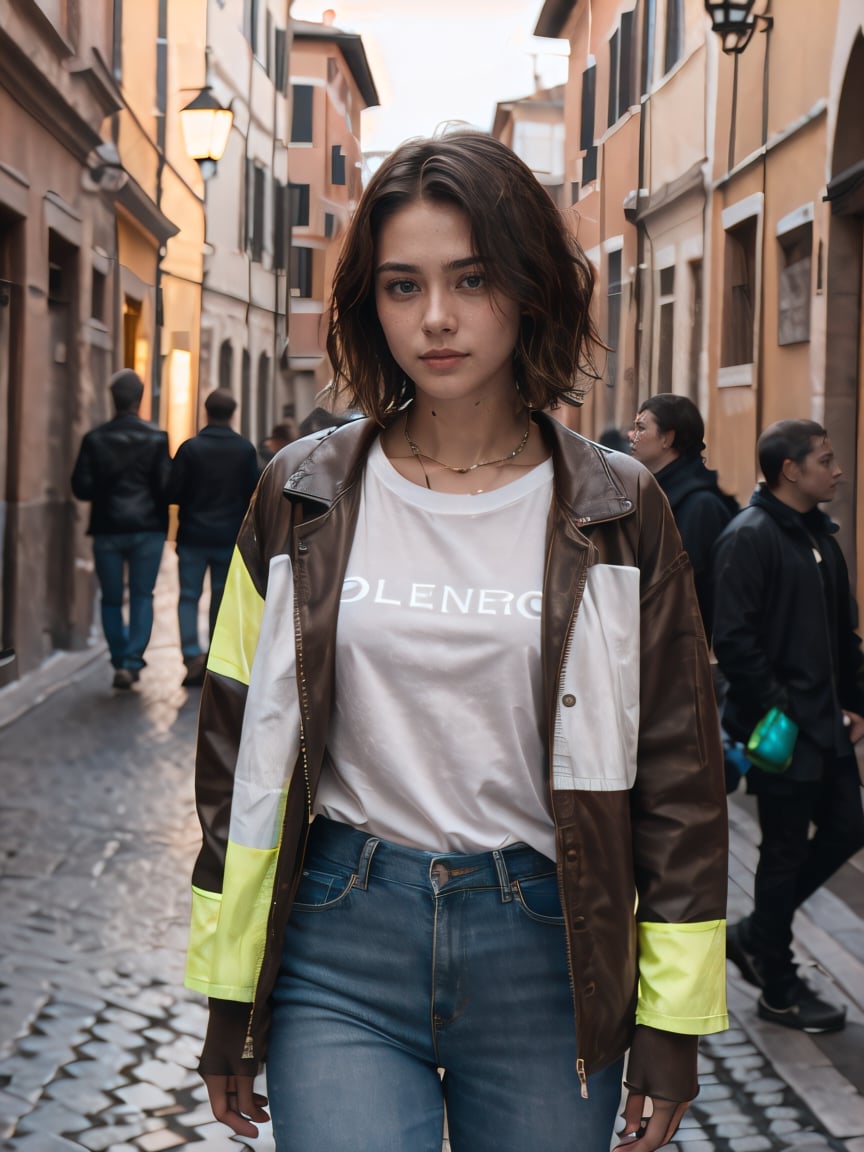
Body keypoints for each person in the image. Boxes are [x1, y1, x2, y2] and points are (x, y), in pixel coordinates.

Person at [184, 130, 728, 1152]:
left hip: (548, 949)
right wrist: (231, 989)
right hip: (336, 939)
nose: (435, 318)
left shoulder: (620, 508)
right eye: (402, 285)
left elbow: (681, 779)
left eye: (470, 279)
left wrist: (673, 1020)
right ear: (368, 304)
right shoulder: (299, 495)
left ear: (526, 289)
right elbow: (234, 757)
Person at [713, 419, 864, 1033]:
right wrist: (788, 711)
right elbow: (735, 643)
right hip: (780, 733)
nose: (837, 470)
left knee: (846, 827)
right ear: (789, 472)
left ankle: (755, 932)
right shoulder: (747, 537)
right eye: (825, 460)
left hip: (825, 728)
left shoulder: (820, 537)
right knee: (780, 852)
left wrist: (856, 704)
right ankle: (777, 982)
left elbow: (842, 637)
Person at [71, 369, 170, 690]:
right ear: (140, 398)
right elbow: (166, 486)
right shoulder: (156, 438)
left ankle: (118, 659)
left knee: (111, 599)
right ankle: (132, 659)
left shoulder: (95, 439)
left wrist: (105, 483)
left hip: (108, 528)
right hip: (148, 529)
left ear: (111, 398)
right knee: (142, 595)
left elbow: (81, 487)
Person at [167, 388, 259, 687]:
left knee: (189, 596)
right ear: (232, 413)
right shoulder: (245, 450)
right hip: (228, 537)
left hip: (193, 534)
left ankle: (191, 656)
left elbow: (173, 492)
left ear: (206, 411)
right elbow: (252, 496)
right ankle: (214, 660)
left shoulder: (190, 449)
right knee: (221, 598)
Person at [628, 394, 737, 644]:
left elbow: (689, 590)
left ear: (668, 438)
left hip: (677, 646)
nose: (631, 436)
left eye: (641, 428)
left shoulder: (701, 506)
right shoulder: (651, 492)